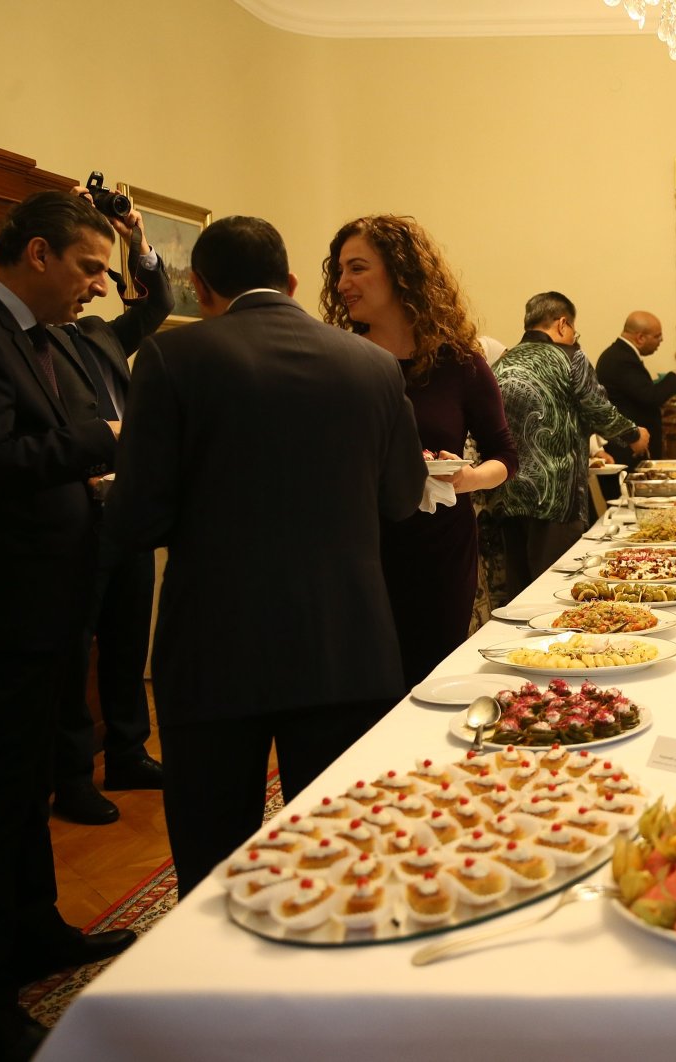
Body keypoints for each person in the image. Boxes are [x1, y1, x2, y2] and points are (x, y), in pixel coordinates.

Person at [106, 216, 427, 898]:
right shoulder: (372, 366)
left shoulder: (172, 359)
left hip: (217, 647)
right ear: (289, 282)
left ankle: (220, 997)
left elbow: (139, 519)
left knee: (215, 866)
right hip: (347, 643)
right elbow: (402, 500)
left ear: (201, 286)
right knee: (343, 857)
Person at [0, 190, 134, 1060]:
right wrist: (105, 439)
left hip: (48, 600)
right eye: (91, 266)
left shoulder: (36, 334)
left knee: (28, 791)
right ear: (38, 254)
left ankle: (35, 932)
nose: (100, 285)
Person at [320, 215, 518, 687]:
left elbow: (505, 457)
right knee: (368, 685)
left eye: (358, 268)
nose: (343, 283)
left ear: (401, 271)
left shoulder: (459, 362)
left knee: (430, 678)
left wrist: (467, 478)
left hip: (439, 551)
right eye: (340, 271)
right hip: (361, 547)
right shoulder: (338, 359)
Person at [48, 184, 173, 828]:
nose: (97, 286)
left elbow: (161, 305)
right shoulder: (28, 344)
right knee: (77, 652)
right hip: (71, 517)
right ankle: (70, 776)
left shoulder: (98, 332)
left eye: (103, 273)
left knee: (127, 640)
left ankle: (126, 750)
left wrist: (137, 243)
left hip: (124, 512)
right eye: (88, 271)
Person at [490, 292, 647, 589]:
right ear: (563, 324)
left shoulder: (501, 363)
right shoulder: (570, 357)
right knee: (556, 590)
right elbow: (600, 411)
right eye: (574, 329)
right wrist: (635, 436)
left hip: (507, 495)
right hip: (556, 496)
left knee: (518, 593)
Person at [597, 311, 676, 466]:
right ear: (640, 337)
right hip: (627, 448)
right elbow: (650, 397)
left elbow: (637, 393)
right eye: (657, 336)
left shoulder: (620, 354)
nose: (661, 340)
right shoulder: (622, 359)